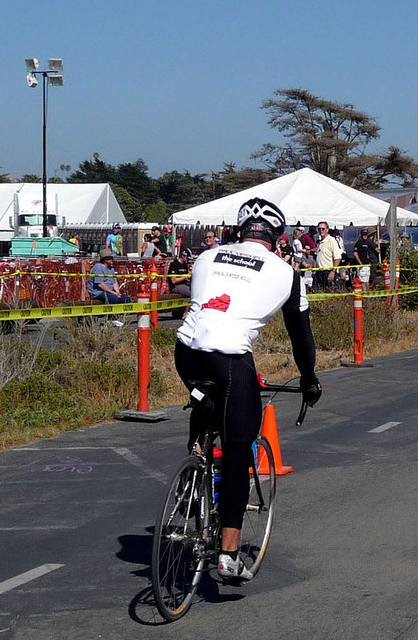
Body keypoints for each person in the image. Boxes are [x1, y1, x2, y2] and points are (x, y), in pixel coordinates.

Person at [175, 197, 319, 582]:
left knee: (204, 399)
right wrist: (309, 379)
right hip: (230, 358)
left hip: (185, 353)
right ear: (278, 237)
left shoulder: (208, 256)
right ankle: (228, 554)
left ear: (240, 231)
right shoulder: (287, 274)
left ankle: (193, 467)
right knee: (239, 450)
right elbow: (301, 338)